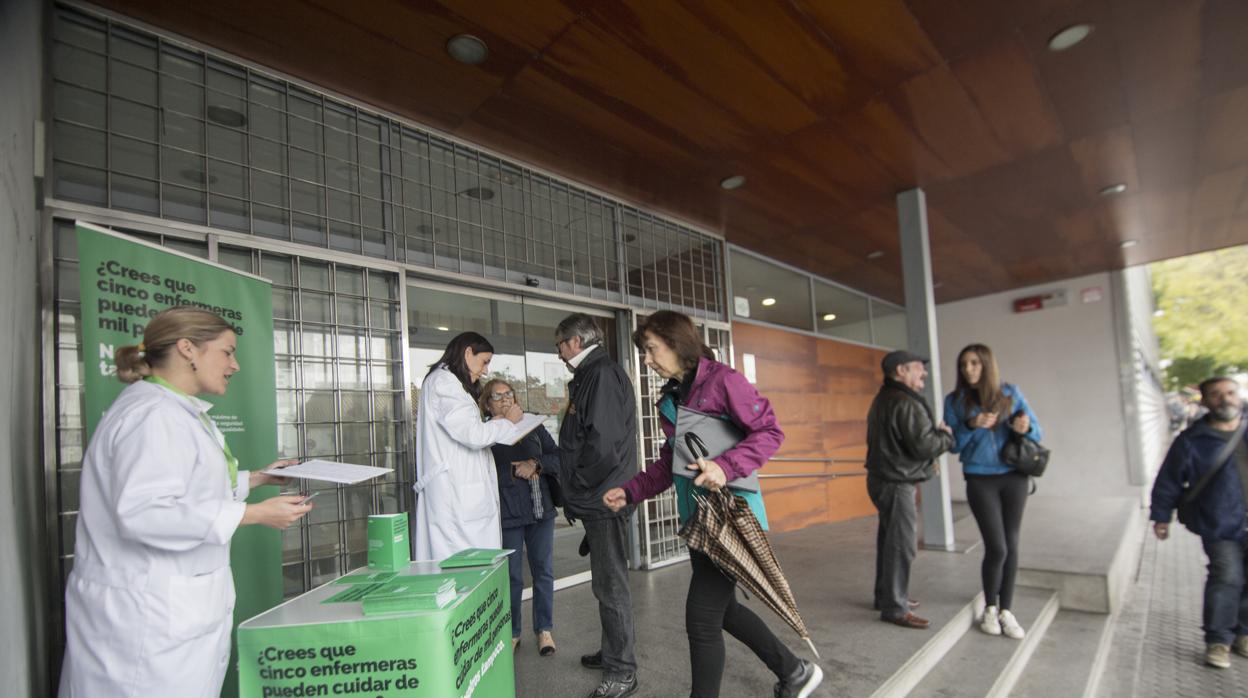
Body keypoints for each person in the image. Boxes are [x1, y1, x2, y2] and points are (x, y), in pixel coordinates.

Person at [58, 306, 313, 697]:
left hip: (172, 618)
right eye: (227, 352)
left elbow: (188, 491)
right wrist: (254, 514)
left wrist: (258, 478)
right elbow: (145, 513)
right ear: (187, 349)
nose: (235, 365)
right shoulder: (153, 415)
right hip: (146, 623)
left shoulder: (174, 410)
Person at [602, 310, 823, 698]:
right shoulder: (672, 396)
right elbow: (673, 462)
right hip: (701, 522)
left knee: (702, 619)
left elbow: (770, 431)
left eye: (652, 350)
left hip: (731, 519)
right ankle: (795, 671)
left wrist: (724, 466)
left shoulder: (724, 381)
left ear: (677, 343)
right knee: (725, 611)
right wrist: (632, 490)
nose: (648, 360)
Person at [555, 313, 640, 698]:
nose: (558, 353)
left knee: (611, 587)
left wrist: (576, 486)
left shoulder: (601, 374)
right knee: (605, 584)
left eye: (559, 344)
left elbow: (603, 447)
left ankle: (622, 672)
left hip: (603, 498)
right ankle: (612, 653)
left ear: (574, 342)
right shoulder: (591, 374)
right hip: (598, 497)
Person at [943, 344, 1043, 640]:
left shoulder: (1010, 393)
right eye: (963, 364)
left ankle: (1006, 611)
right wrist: (972, 425)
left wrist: (1024, 428)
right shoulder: (956, 400)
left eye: (974, 363)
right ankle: (989, 606)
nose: (968, 369)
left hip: (1014, 476)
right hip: (979, 478)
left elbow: (1037, 432)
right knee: (996, 546)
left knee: (1011, 544)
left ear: (987, 365)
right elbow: (953, 445)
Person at [1151, 376, 1248, 669]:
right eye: (1217, 395)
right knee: (1227, 577)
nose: (1225, 399)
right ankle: (1218, 640)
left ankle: (1243, 633)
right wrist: (1161, 516)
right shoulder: (1191, 441)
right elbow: (1168, 480)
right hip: (1219, 522)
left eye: (1230, 393)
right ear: (1205, 402)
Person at [413, 331, 525, 561]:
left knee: (470, 566)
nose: (485, 370)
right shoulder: (444, 383)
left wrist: (495, 423)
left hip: (460, 493)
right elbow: (473, 435)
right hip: (455, 496)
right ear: (467, 353)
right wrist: (507, 422)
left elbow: (465, 428)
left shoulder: (448, 383)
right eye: (484, 362)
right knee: (462, 568)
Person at [865, 349, 955, 630]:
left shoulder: (884, 398)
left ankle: (886, 596)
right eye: (918, 367)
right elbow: (924, 445)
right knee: (902, 545)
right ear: (901, 371)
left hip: (883, 479)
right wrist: (945, 437)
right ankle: (895, 606)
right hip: (896, 482)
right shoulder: (906, 402)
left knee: (889, 540)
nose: (924, 373)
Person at [479, 378, 560, 657]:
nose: (504, 399)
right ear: (487, 404)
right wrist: (512, 472)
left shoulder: (533, 426)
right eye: (497, 396)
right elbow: (480, 472)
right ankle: (512, 632)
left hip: (541, 509)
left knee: (543, 571)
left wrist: (535, 464)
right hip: (508, 513)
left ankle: (544, 629)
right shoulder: (485, 433)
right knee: (512, 575)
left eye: (508, 394)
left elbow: (558, 457)